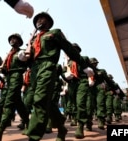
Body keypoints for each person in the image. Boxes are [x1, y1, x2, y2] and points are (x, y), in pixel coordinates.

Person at [17, 12, 94, 141]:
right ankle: (61, 127)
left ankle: (33, 136)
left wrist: (84, 65)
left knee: (39, 101)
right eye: (37, 19)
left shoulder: (54, 33)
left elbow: (69, 48)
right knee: (48, 103)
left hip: (48, 67)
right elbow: (30, 60)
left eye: (43, 19)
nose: (39, 21)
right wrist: (23, 58)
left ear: (48, 22)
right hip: (35, 70)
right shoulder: (34, 39)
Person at [0, 33, 30, 141]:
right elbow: (6, 68)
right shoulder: (9, 54)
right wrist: (1, 69)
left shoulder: (22, 51)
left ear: (19, 42)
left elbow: (27, 63)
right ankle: (28, 123)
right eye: (11, 39)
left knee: (8, 103)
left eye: (15, 39)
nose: (12, 40)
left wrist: (25, 57)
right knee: (18, 103)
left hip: (16, 77)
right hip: (9, 78)